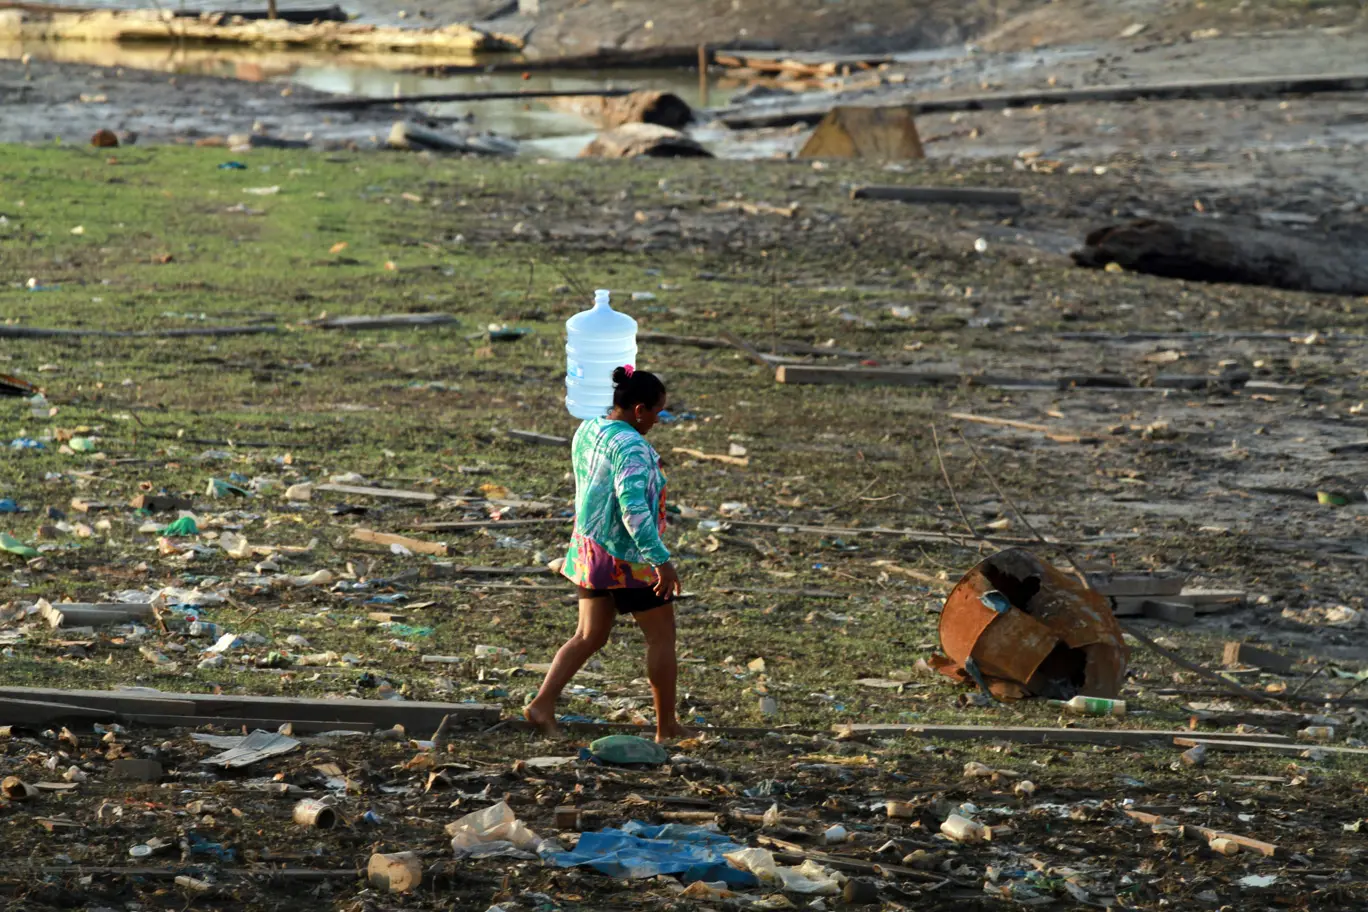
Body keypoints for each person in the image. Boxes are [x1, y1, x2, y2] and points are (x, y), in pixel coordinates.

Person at [525, 365, 685, 742]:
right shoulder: (631, 446)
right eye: (657, 413)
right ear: (639, 409)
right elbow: (633, 507)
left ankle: (542, 704)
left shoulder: (591, 427)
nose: (658, 421)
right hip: (627, 558)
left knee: (589, 635)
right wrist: (660, 559)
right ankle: (667, 728)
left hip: (589, 549)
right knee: (662, 638)